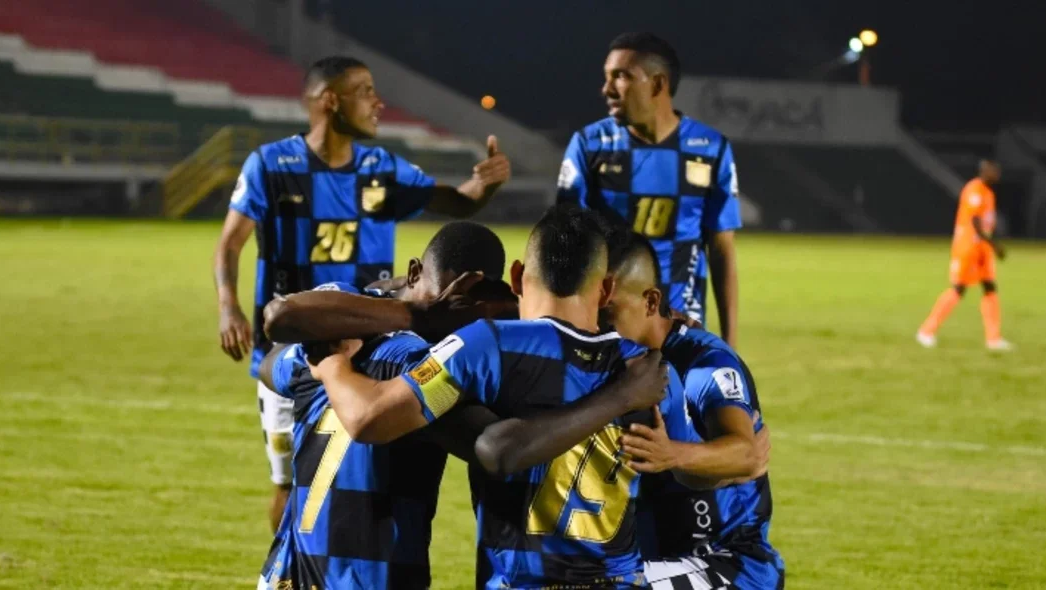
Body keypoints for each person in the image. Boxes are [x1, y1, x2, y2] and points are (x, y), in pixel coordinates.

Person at [254, 221, 670, 589]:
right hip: (376, 576)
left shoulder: (332, 332)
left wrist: (335, 362)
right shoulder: (423, 363)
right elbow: (497, 448)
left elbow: (273, 356)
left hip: (286, 576)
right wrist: (620, 395)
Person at [212, 55, 512, 530]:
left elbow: (459, 201)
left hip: (368, 350)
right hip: (292, 350)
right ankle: (292, 570)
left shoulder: (380, 168)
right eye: (365, 91)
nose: (378, 102)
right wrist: (229, 310)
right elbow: (230, 243)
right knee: (292, 486)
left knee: (368, 482)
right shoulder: (271, 165)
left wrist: (485, 183)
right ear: (331, 100)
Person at [602, 229, 783, 589]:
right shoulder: (618, 358)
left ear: (651, 303)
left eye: (608, 315)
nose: (597, 328)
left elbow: (746, 452)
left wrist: (672, 455)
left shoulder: (703, 363)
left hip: (726, 563)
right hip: (654, 557)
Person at [557, 32, 742, 346]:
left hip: (681, 324)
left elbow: (721, 250)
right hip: (605, 323)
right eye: (606, 77)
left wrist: (729, 343)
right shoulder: (590, 145)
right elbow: (564, 240)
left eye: (621, 77)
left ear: (658, 84)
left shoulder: (710, 149)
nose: (606, 89)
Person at [917, 159, 1011, 351]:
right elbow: (975, 222)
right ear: (984, 171)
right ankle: (926, 331)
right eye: (994, 170)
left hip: (981, 247)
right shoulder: (974, 190)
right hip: (967, 246)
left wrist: (989, 246)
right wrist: (994, 245)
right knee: (958, 288)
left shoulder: (988, 193)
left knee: (989, 287)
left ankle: (993, 338)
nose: (997, 174)